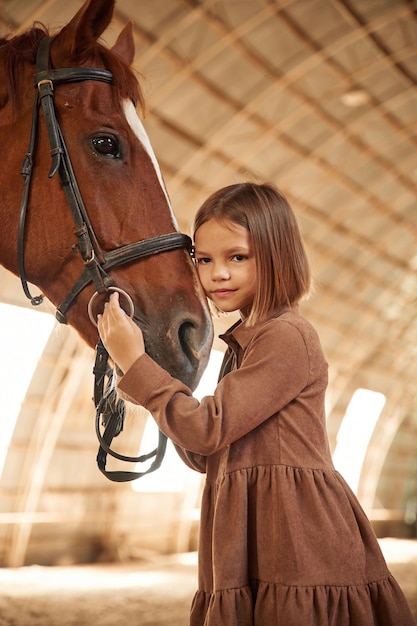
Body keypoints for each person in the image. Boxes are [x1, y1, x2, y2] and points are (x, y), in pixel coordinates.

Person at [97, 182, 415, 626]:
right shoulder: (243, 344)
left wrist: (136, 362)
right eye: (204, 260)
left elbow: (208, 428)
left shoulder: (286, 337)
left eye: (237, 257)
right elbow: (205, 451)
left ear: (278, 254)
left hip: (296, 537)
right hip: (254, 532)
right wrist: (134, 370)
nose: (217, 274)